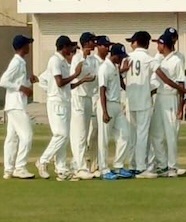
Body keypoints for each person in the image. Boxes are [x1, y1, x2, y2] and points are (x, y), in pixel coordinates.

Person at [138, 29, 186, 178]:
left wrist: (180, 107)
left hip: (171, 98)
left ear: (164, 44)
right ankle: (162, 164)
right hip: (159, 97)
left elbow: (181, 85)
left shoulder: (177, 61)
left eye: (158, 43)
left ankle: (172, 166)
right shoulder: (159, 59)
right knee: (156, 133)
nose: (157, 46)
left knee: (171, 134)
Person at [36, 35, 85, 181]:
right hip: (56, 103)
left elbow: (67, 86)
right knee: (61, 134)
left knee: (64, 137)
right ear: (63, 47)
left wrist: (81, 80)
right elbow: (59, 82)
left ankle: (62, 169)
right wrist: (75, 74)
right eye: (70, 47)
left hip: (65, 101)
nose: (71, 49)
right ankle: (43, 161)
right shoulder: (55, 60)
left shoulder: (63, 62)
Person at [0, 35, 38, 179]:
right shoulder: (16, 62)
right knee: (27, 136)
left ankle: (8, 170)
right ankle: (20, 167)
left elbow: (17, 82)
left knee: (12, 138)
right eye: (28, 44)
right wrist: (22, 87)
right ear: (23, 46)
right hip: (16, 105)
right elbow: (3, 81)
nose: (29, 47)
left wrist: (28, 81)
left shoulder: (21, 62)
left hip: (14, 104)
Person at [97, 42, 135, 180]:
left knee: (125, 134)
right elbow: (102, 90)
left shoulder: (113, 67)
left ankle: (118, 166)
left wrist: (122, 70)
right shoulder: (104, 68)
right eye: (121, 56)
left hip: (117, 105)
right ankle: (104, 169)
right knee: (104, 139)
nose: (122, 59)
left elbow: (116, 79)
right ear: (115, 55)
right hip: (106, 105)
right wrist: (104, 111)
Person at [124, 31, 156, 174]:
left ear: (137, 42)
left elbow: (121, 77)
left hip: (130, 100)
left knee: (132, 134)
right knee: (142, 134)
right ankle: (141, 166)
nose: (131, 44)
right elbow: (155, 81)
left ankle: (131, 164)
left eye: (132, 41)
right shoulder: (150, 59)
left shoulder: (127, 58)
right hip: (143, 100)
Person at [69, 32, 100, 181]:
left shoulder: (94, 60)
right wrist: (82, 76)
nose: (95, 43)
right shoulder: (77, 58)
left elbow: (98, 76)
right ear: (86, 43)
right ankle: (80, 167)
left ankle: (80, 164)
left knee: (86, 133)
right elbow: (73, 78)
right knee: (80, 134)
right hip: (78, 98)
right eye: (93, 41)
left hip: (88, 98)